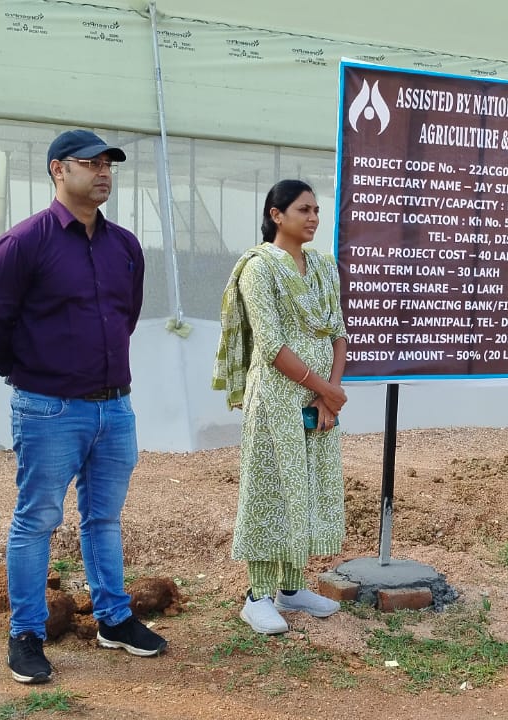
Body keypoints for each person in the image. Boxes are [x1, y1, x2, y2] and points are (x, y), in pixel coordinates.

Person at [0, 129, 165, 683]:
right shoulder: (24, 243)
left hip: (115, 407)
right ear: (58, 170)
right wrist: (32, 372)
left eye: (109, 165)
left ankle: (113, 618)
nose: (103, 172)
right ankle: (26, 633)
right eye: (91, 163)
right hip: (49, 408)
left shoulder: (124, 245)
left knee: (103, 517)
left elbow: (125, 316)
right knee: (37, 519)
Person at [212, 179, 348, 634]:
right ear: (276, 215)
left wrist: (330, 392)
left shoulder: (323, 266)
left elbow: (337, 332)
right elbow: (271, 345)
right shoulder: (259, 268)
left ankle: (291, 588)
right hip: (276, 398)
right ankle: (257, 596)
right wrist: (324, 389)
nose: (313, 218)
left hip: (319, 401)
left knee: (307, 486)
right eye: (304, 209)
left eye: (316, 210)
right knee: (271, 491)